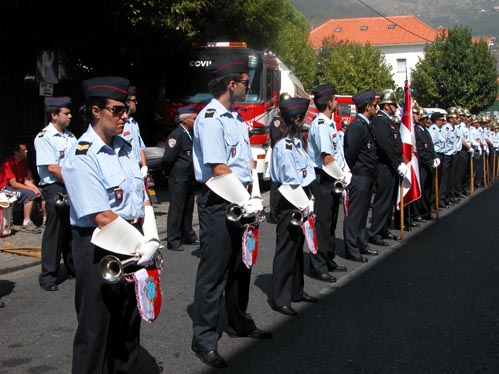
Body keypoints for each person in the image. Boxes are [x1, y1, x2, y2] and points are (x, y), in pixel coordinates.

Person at [61, 76, 161, 374]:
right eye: (117, 110)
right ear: (95, 110)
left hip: (132, 245)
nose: (125, 115)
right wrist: (140, 244)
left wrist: (152, 238)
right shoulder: (81, 154)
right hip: (100, 246)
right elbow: (100, 215)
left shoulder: (128, 148)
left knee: (127, 329)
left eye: (125, 109)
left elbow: (141, 198)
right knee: (95, 331)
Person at [191, 56, 271, 369]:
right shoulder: (210, 118)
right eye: (243, 80)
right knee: (214, 273)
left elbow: (245, 166)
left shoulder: (235, 118)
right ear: (230, 84)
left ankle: (239, 320)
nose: (247, 85)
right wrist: (244, 197)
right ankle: (204, 338)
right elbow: (218, 167)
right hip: (219, 202)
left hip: (241, 201)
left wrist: (252, 196)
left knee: (241, 267)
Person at [270, 97, 319, 317]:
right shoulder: (285, 146)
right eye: (304, 117)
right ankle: (281, 298)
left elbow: (307, 170)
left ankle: (297, 291)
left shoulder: (297, 143)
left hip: (301, 196)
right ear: (297, 119)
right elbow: (291, 178)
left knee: (298, 247)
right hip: (290, 199)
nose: (305, 121)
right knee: (286, 249)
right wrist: (304, 201)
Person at [34, 96, 77, 291]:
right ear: (54, 115)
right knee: (55, 231)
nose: (70, 116)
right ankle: (48, 276)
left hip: (71, 186)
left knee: (71, 229)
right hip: (55, 188)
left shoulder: (71, 136)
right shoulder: (44, 138)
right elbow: (52, 168)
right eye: (66, 113)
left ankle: (71, 267)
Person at [306, 83, 348, 283]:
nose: (337, 102)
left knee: (331, 222)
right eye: (336, 99)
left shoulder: (329, 123)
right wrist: (342, 176)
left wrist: (343, 171)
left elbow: (337, 155)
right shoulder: (321, 125)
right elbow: (327, 157)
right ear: (330, 101)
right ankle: (318, 265)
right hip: (323, 178)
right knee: (322, 224)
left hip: (333, 177)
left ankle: (328, 258)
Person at [343, 90, 378, 263]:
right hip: (360, 175)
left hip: (368, 175)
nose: (376, 108)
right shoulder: (357, 126)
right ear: (368, 106)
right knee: (355, 214)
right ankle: (352, 248)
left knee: (363, 213)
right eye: (374, 105)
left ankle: (361, 242)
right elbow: (350, 153)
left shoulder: (366, 125)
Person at [368, 89, 405, 247]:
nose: (396, 108)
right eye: (393, 105)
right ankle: (375, 232)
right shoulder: (380, 121)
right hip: (384, 166)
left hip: (392, 166)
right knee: (382, 200)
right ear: (387, 105)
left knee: (389, 200)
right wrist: (396, 164)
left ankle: (383, 229)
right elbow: (385, 145)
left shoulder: (389, 121)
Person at [162, 104, 199, 251]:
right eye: (194, 119)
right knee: (177, 208)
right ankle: (174, 239)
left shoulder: (191, 134)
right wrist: (169, 173)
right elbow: (168, 158)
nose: (196, 121)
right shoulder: (176, 135)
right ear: (185, 120)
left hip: (190, 176)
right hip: (179, 176)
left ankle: (188, 235)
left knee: (188, 207)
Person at [0, 143, 42, 233]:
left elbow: (26, 180)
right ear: (16, 152)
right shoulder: (9, 163)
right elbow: (13, 183)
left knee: (39, 191)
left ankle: (43, 218)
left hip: (14, 187)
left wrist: (35, 188)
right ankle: (26, 223)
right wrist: (31, 190)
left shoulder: (23, 162)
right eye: (23, 150)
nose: (26, 151)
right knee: (30, 194)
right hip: (4, 188)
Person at [120, 85, 148, 179]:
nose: (136, 102)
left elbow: (140, 146)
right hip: (126, 169)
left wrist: (144, 166)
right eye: (134, 100)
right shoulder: (120, 123)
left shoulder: (134, 122)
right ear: (127, 102)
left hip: (138, 168)